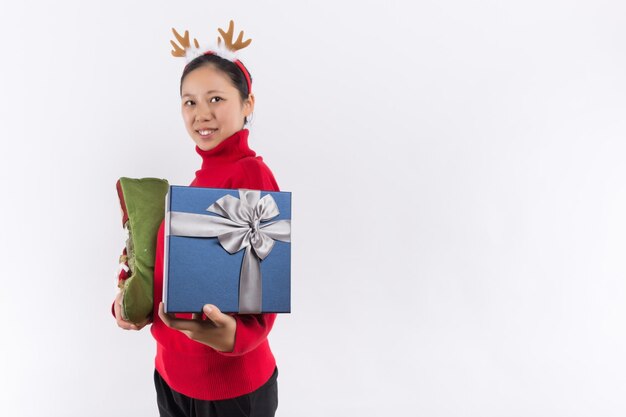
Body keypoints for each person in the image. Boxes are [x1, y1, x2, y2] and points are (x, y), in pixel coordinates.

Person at [113, 22, 280, 417]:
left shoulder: (251, 177)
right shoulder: (196, 183)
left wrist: (236, 336)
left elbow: (267, 287)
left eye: (216, 98)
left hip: (227, 390)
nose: (201, 114)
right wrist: (128, 303)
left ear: (248, 104)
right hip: (172, 375)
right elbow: (170, 274)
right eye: (189, 102)